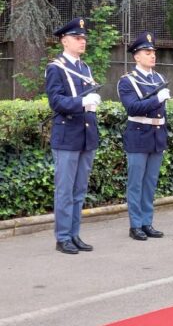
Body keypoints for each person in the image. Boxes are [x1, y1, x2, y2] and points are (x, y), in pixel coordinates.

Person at [45, 17, 101, 254]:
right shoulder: (56, 67)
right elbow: (56, 102)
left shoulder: (84, 68)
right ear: (64, 40)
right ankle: (63, 237)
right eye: (77, 38)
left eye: (83, 38)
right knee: (65, 190)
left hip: (86, 135)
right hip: (67, 136)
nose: (82, 41)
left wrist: (91, 103)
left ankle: (75, 234)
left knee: (79, 190)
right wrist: (82, 102)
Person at [117, 32, 170, 241]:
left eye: (153, 52)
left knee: (150, 183)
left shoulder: (159, 78)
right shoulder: (127, 81)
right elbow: (132, 108)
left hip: (157, 135)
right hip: (139, 135)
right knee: (136, 183)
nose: (152, 55)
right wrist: (157, 99)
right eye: (147, 52)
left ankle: (147, 222)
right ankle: (135, 224)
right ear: (136, 56)